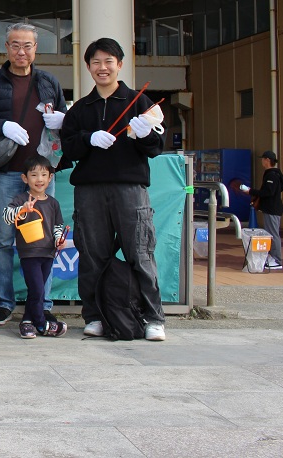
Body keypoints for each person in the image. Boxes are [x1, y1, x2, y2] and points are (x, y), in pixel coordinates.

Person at [59, 37, 166, 341]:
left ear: (120, 65)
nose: (102, 68)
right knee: (92, 254)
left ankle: (153, 317)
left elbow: (155, 147)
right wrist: (88, 138)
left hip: (130, 188)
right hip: (89, 190)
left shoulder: (140, 103)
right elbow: (68, 148)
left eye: (109, 61)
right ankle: (95, 315)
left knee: (140, 252)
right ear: (88, 67)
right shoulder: (80, 108)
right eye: (96, 62)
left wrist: (144, 135)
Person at [0, 22, 67, 327]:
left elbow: (64, 125)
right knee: (2, 238)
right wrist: (2, 126)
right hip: (5, 172)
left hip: (41, 175)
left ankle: (43, 303)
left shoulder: (49, 82)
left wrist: (63, 120)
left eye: (27, 45)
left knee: (44, 240)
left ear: (36, 48)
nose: (21, 51)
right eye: (15, 45)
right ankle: (3, 302)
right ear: (6, 47)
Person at [2, 154, 67, 339]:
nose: (39, 179)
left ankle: (26, 322)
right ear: (25, 178)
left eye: (43, 175)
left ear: (50, 178)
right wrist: (23, 209)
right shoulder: (21, 198)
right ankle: (41, 324)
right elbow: (7, 216)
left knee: (35, 291)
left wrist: (58, 240)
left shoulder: (53, 203)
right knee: (38, 289)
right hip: (29, 253)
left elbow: (58, 226)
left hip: (48, 253)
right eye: (34, 175)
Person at [241, 151, 283, 270]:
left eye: (263, 159)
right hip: (273, 208)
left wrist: (250, 191)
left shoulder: (271, 175)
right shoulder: (276, 174)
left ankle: (277, 260)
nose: (262, 161)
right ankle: (273, 257)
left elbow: (268, 192)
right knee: (271, 233)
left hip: (272, 208)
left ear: (267, 160)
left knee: (273, 234)